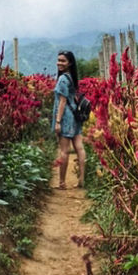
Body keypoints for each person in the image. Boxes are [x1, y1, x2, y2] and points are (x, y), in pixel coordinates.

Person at [51, 50, 86, 189]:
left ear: (69, 63)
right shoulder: (72, 76)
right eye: (58, 60)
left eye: (63, 61)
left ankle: (62, 182)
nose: (59, 63)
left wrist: (58, 121)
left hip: (66, 117)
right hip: (75, 116)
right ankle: (81, 179)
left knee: (64, 150)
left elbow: (62, 101)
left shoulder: (62, 79)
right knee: (79, 147)